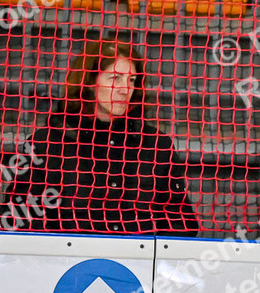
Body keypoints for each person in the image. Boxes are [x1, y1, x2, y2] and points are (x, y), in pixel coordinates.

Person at [15, 39, 199, 236]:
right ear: (89, 83)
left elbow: (181, 225)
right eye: (115, 78)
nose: (124, 89)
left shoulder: (156, 146)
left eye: (131, 80)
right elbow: (18, 219)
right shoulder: (47, 144)